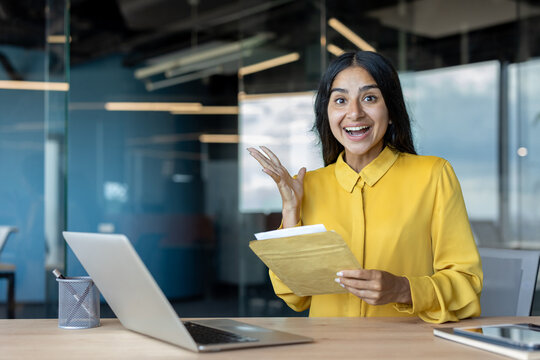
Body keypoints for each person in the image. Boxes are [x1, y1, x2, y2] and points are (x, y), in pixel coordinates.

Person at [247, 51, 482, 324]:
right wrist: (291, 212)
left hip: (409, 349)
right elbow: (295, 297)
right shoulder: (309, 185)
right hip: (329, 348)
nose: (355, 113)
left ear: (391, 110)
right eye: (340, 100)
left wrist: (403, 289)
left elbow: (467, 284)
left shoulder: (433, 175)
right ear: (327, 113)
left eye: (369, 98)